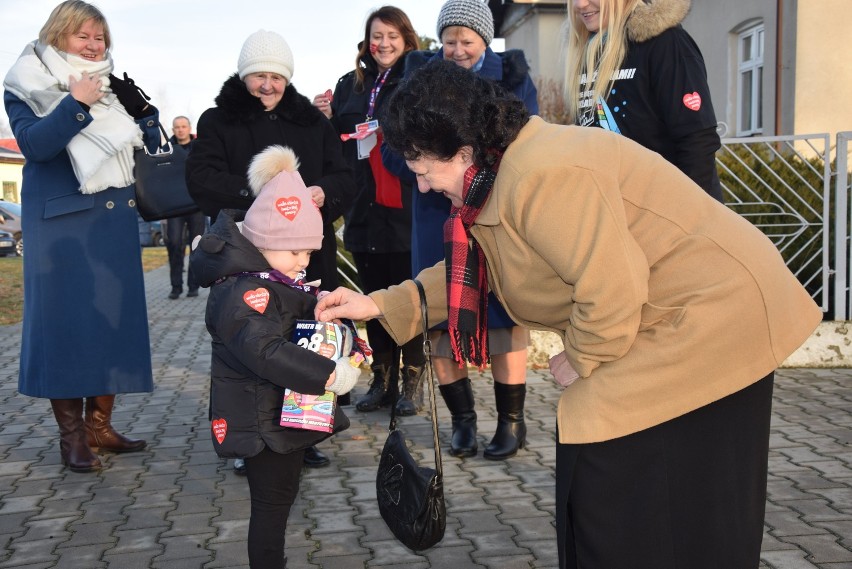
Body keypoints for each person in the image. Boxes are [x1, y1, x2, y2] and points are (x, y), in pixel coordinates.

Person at [315, 60, 822, 569]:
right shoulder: (501, 171)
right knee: (638, 480)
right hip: (674, 311)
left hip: (717, 312)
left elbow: (611, 289)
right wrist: (381, 303)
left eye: (424, 171)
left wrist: (581, 356)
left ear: (464, 151)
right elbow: (481, 262)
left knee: (621, 463)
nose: (422, 187)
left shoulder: (543, 174)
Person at [186, 29, 356, 470]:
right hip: (249, 258)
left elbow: (344, 176)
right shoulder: (218, 120)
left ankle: (304, 432)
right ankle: (250, 439)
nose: (267, 85)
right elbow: (201, 179)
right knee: (253, 346)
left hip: (306, 255)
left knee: (307, 341)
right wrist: (260, 194)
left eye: (275, 77)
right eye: (258, 75)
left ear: (287, 78)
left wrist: (320, 191)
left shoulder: (311, 123)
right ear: (244, 77)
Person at [2, 0, 157, 472]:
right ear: (59, 35)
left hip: (111, 218)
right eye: (83, 36)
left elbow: (146, 148)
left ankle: (100, 427)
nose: (93, 45)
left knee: (111, 324)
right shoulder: (26, 83)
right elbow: (35, 145)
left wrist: (144, 112)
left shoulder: (109, 87)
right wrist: (76, 104)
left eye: (100, 37)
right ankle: (72, 438)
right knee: (66, 332)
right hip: (61, 226)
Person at [381, 0, 539, 460]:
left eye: (466, 41)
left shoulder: (512, 77)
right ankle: (462, 421)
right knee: (439, 313)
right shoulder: (417, 76)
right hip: (436, 213)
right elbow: (393, 145)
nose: (456, 50)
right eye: (448, 40)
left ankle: (512, 422)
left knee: (504, 316)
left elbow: (525, 138)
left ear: (485, 41)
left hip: (495, 209)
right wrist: (421, 167)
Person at [189, 145, 359, 569]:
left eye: (308, 253)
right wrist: (328, 374)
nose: (304, 262)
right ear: (264, 243)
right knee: (271, 506)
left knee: (279, 502)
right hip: (262, 423)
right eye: (296, 252)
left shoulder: (270, 279)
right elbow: (265, 350)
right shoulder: (245, 291)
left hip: (280, 415)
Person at [311, 6, 425, 417]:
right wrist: (324, 118)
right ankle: (383, 379)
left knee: (409, 298)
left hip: (408, 205)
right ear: (367, 40)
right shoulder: (351, 85)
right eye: (377, 36)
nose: (384, 44)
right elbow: (336, 147)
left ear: (407, 39)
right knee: (371, 299)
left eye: (392, 35)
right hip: (364, 208)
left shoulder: (418, 78)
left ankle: (413, 381)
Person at [565, 0, 723, 200]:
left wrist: (684, 215)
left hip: (669, 214)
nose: (580, 4)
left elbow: (697, 142)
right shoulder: (586, 52)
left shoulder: (665, 42)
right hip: (617, 211)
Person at [165, 115, 206, 299]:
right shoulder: (166, 149)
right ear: (172, 130)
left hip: (196, 204)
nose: (180, 129)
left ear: (189, 128)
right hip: (173, 205)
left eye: (183, 126)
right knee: (174, 243)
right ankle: (176, 286)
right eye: (177, 127)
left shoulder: (199, 148)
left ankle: (193, 286)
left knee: (196, 246)